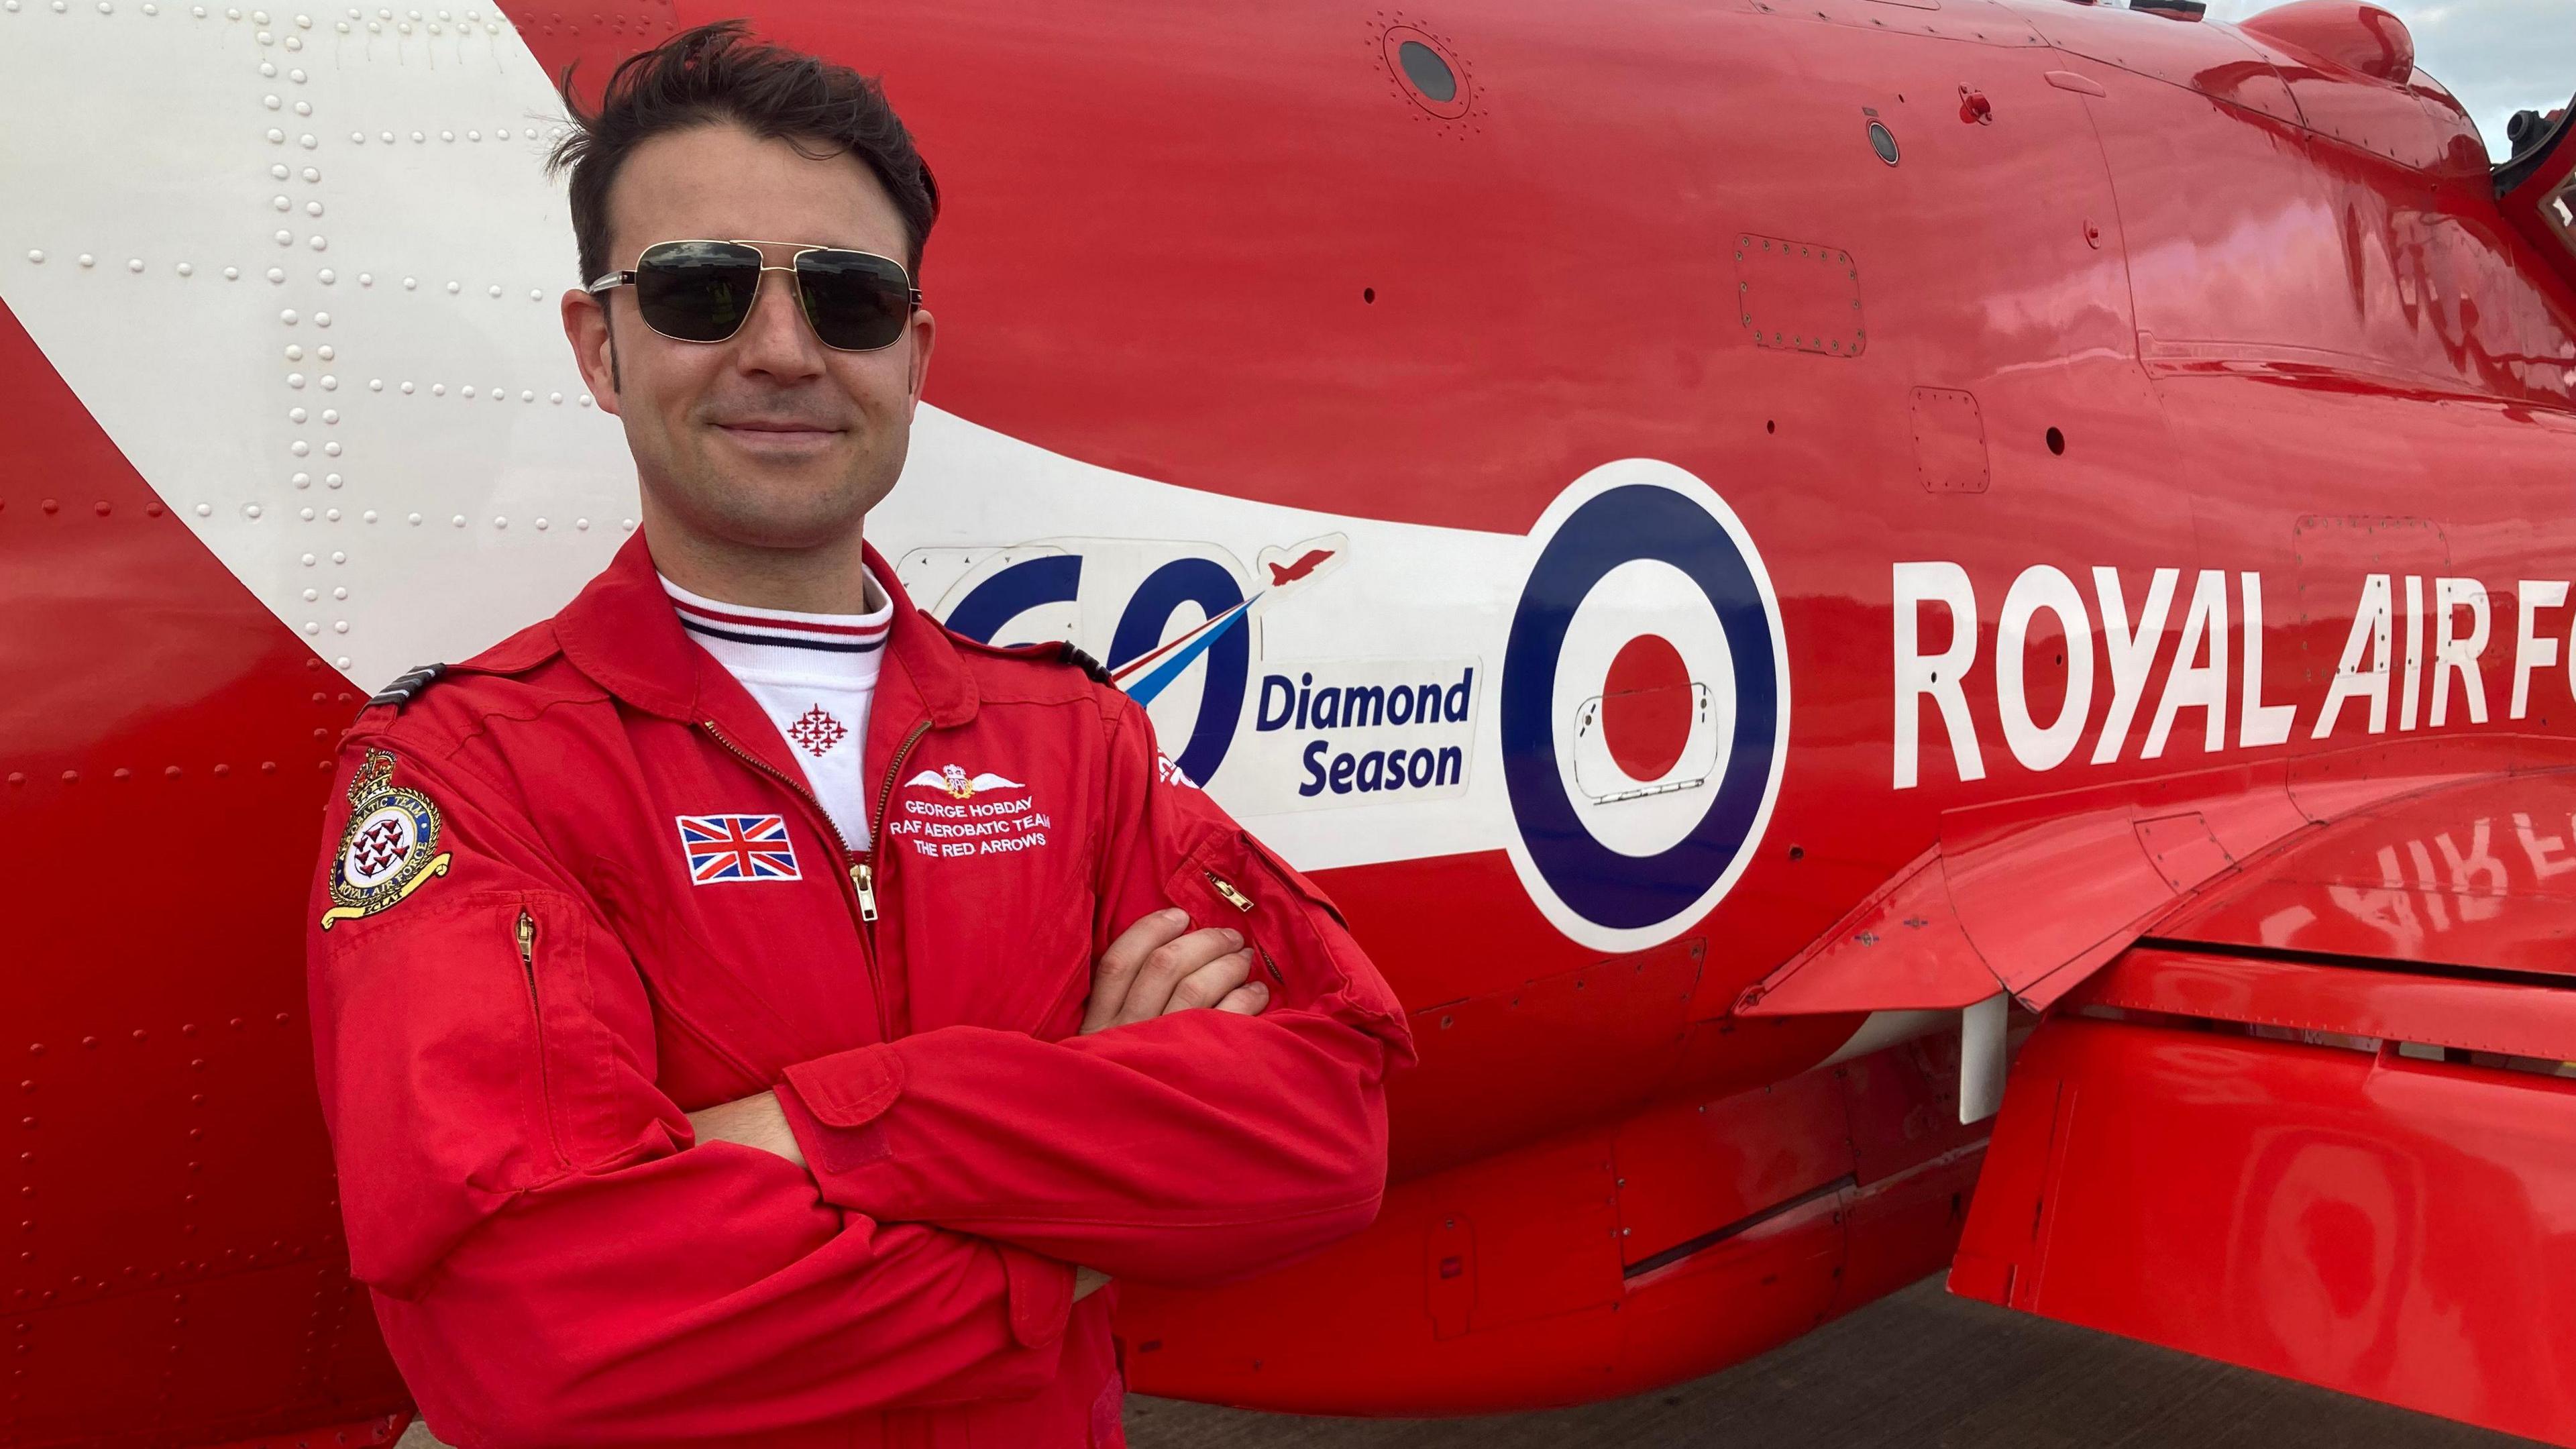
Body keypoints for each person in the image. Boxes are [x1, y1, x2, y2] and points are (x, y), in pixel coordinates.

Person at [303, 21, 1414, 1448]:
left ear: (913, 351)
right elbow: (527, 1332)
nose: (782, 349)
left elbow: (1327, 1129)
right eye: (702, 291)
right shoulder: (467, 773)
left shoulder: (1070, 740)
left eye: (850, 298)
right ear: (601, 344)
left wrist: (827, 1125)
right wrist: (1085, 1193)